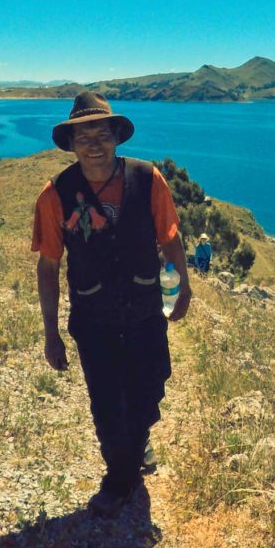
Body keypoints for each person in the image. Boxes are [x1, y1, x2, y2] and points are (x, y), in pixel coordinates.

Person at [31, 91, 192, 517]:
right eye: (84, 136)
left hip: (144, 313)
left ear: (116, 136)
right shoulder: (55, 195)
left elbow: (170, 238)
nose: (94, 144)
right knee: (106, 403)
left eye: (102, 133)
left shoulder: (147, 178)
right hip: (93, 318)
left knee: (148, 389)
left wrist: (184, 288)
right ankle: (119, 481)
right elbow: (48, 267)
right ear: (72, 143)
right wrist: (51, 333)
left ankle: (138, 440)